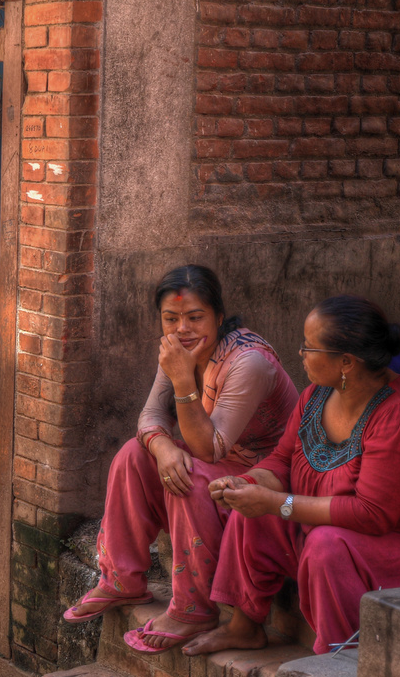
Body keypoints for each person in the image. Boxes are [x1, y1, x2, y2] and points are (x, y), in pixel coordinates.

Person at [184, 295, 400, 657]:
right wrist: (250, 483)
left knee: (324, 545)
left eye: (309, 347)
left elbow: (371, 513)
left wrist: (278, 503)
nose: (301, 354)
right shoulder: (315, 397)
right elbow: (282, 461)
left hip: (374, 550)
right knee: (252, 516)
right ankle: (244, 627)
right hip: (316, 530)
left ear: (346, 362)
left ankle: (337, 657)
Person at [63, 265, 299, 653]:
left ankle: (195, 608)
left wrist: (184, 382)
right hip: (217, 462)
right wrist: (163, 446)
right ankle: (123, 579)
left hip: (264, 477)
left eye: (195, 317)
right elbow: (150, 417)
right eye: (171, 319)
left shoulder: (247, 363)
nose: (183, 329)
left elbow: (210, 448)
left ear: (219, 318)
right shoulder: (178, 350)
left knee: (188, 475)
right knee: (133, 454)